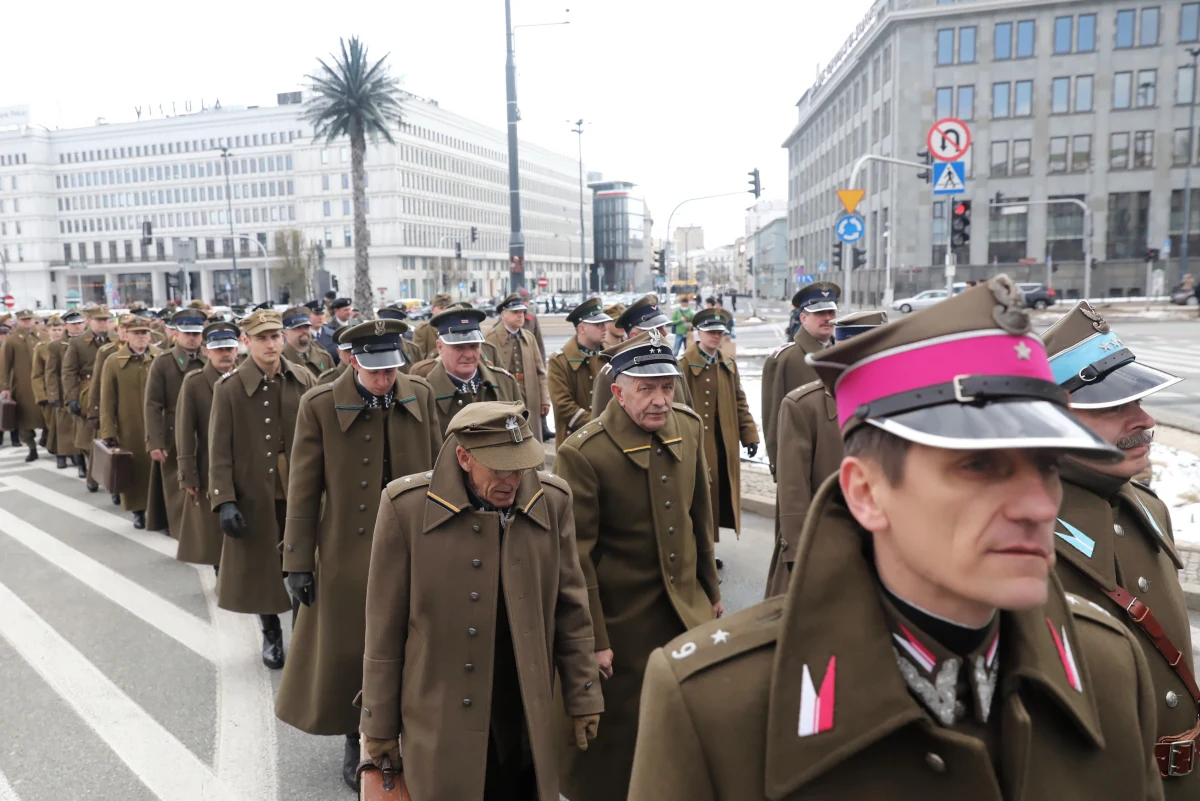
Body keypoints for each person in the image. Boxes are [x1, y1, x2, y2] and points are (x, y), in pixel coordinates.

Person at [627, 277, 1165, 800]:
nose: (1038, 504)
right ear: (866, 492)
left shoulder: (1110, 665)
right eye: (979, 466)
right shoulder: (718, 705)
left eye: (1045, 464)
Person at [359, 401, 603, 800]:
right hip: (439, 716)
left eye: (520, 466)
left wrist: (583, 694)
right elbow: (383, 629)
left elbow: (572, 609)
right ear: (464, 458)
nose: (512, 479)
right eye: (499, 468)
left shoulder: (553, 499)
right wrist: (378, 723)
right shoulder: (405, 508)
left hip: (524, 708)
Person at [554, 334, 721, 801]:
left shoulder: (687, 428)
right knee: (620, 743)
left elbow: (698, 518)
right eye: (646, 389)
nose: (659, 400)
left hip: (685, 612)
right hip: (621, 623)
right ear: (618, 392)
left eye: (666, 387)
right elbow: (575, 559)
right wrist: (594, 642)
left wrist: (710, 591)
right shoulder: (584, 453)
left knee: (688, 728)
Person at [277, 318, 442, 789]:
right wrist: (297, 562)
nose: (385, 380)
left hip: (416, 548)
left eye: (391, 370)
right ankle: (357, 736)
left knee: (416, 644)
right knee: (354, 649)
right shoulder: (320, 405)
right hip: (347, 555)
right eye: (376, 372)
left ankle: (411, 732)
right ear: (352, 361)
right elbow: (303, 490)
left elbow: (438, 470)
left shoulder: (420, 395)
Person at [1042, 301, 1200, 794]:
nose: (1144, 419)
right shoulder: (1021, 539)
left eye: (1139, 400)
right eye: (1113, 407)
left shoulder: (1148, 510)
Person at [208, 308, 316, 668]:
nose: (271, 344)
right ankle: (271, 632)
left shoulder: (302, 379)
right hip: (254, 493)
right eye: (262, 338)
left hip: (300, 490)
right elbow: (219, 450)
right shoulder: (230, 388)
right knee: (263, 568)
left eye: (275, 336)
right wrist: (224, 500)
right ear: (246, 342)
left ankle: (304, 635)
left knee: (305, 561)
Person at [763, 310, 887, 598]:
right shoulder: (805, 405)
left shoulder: (897, 398)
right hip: (825, 542)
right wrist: (799, 553)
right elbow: (794, 488)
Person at [678, 308, 758, 568]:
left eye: (719, 332)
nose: (715, 337)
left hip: (723, 443)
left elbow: (739, 401)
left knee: (716, 496)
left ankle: (707, 550)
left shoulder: (727, 363)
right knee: (697, 496)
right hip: (695, 444)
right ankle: (696, 551)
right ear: (698, 332)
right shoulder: (683, 365)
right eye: (710, 332)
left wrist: (750, 436)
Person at [175, 321, 240, 572]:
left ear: (237, 350)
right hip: (207, 463)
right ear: (207, 351)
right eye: (219, 349)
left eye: (229, 349)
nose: (225, 354)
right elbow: (185, 431)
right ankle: (219, 567)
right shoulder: (194, 382)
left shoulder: (245, 378)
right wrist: (187, 474)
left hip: (243, 462)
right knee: (213, 524)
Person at [762, 281, 840, 480]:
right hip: (801, 467)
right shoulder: (785, 359)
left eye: (831, 312)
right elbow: (773, 420)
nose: (828, 318)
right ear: (803, 318)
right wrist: (779, 467)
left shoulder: (840, 354)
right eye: (820, 313)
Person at [144, 309, 207, 539]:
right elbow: (152, 404)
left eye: (196, 333)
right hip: (173, 431)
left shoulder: (210, 358)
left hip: (206, 428)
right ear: (177, 334)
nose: (192, 338)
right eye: (187, 333)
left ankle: (201, 530)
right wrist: (154, 441)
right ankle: (180, 531)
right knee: (176, 485)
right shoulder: (163, 362)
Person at [412, 307, 520, 439]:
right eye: (458, 347)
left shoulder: (505, 383)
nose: (468, 355)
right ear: (440, 347)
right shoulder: (423, 394)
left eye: (474, 346)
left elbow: (523, 440)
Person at [99, 314, 161, 528]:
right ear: (127, 335)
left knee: (159, 469)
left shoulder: (160, 357)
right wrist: (108, 430)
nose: (141, 337)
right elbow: (107, 399)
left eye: (144, 332)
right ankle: (137, 510)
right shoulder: (114, 362)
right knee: (134, 468)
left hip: (157, 424)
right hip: (129, 423)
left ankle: (161, 512)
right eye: (136, 333)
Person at [589, 296, 692, 418]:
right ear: (634, 336)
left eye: (663, 327)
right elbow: (601, 426)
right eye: (656, 329)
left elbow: (688, 412)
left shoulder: (674, 364)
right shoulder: (613, 372)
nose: (664, 333)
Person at [486, 293, 550, 443]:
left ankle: (533, 466)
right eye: (515, 312)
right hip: (505, 395)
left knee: (531, 436)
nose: (520, 316)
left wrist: (544, 399)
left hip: (529, 393)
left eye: (522, 312)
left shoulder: (529, 337)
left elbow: (540, 371)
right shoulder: (490, 337)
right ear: (503, 315)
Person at [63, 307, 115, 488]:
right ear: (89, 321)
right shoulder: (78, 343)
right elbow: (69, 371)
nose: (103, 323)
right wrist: (72, 397)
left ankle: (103, 477)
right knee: (86, 437)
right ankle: (91, 470)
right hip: (86, 390)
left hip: (111, 390)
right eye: (98, 320)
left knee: (109, 435)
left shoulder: (115, 340)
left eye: (105, 320)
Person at [548, 297, 610, 446]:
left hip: (610, 439)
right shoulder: (560, 360)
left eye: (604, 323)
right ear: (582, 328)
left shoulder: (610, 356)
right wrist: (599, 423)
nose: (604, 328)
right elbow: (563, 404)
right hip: (575, 440)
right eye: (598, 324)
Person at [0, 310, 46, 462]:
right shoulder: (12, 339)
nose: (27, 322)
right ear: (18, 321)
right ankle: (32, 448)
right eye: (23, 320)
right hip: (22, 386)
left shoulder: (43, 336)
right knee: (25, 420)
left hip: (44, 385)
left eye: (29, 319)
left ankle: (47, 439)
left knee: (48, 417)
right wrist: (5, 386)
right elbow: (5, 364)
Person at [46, 310, 86, 469]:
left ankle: (79, 456)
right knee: (64, 426)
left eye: (80, 323)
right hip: (64, 390)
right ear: (66, 325)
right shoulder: (56, 346)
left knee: (82, 426)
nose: (77, 326)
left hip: (84, 388)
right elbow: (51, 372)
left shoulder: (88, 341)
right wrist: (53, 394)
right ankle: (61, 454)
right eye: (74, 324)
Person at [30, 315, 62, 460]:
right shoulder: (42, 348)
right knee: (53, 426)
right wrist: (41, 396)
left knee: (69, 425)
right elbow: (36, 374)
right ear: (48, 330)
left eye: (60, 329)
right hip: (49, 393)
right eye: (54, 329)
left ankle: (72, 454)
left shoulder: (70, 345)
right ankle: (59, 453)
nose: (57, 332)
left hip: (66, 391)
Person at [281, 306, 334, 379]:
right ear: (285, 333)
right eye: (298, 328)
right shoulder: (281, 360)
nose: (304, 331)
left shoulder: (324, 357)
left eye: (306, 327)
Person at [412, 292, 453, 359]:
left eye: (447, 308)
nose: (444, 311)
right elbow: (418, 358)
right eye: (441, 308)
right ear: (433, 309)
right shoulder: (423, 330)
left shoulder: (456, 328)